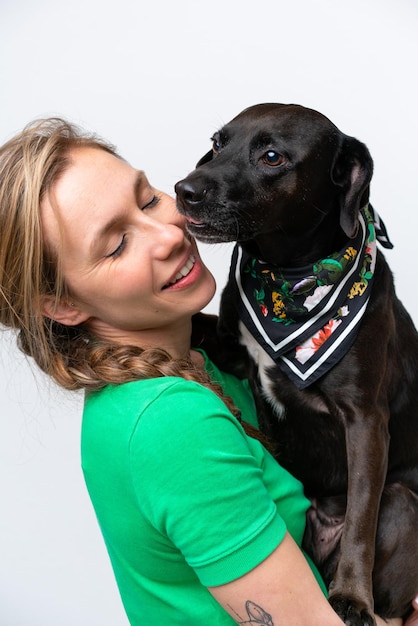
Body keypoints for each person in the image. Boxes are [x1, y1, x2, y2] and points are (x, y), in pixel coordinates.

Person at [0, 118, 416, 626]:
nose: (169, 233)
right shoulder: (171, 424)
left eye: (149, 200)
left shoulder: (219, 360)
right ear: (61, 304)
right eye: (115, 245)